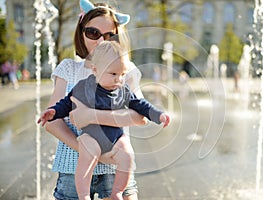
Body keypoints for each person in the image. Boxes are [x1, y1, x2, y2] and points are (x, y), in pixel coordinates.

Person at [38, 41, 170, 200]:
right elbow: (66, 103)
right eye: (113, 74)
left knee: (128, 156)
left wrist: (158, 115)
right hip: (91, 135)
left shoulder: (123, 90)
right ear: (95, 70)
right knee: (87, 157)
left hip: (116, 137)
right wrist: (53, 112)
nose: (118, 79)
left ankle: (117, 192)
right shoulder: (84, 86)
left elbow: (141, 105)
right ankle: (84, 195)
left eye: (122, 74)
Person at [44, 0, 147, 199]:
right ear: (81, 32)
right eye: (93, 33)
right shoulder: (69, 69)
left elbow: (140, 117)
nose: (101, 41)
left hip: (116, 172)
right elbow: (52, 122)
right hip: (73, 169)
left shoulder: (125, 70)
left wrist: (90, 115)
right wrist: (92, 153)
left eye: (109, 35)